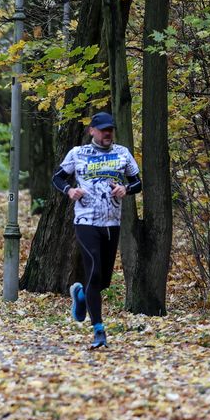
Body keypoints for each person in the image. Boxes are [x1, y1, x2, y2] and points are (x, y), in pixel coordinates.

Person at [52, 112, 142, 349]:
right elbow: (58, 178)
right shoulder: (77, 153)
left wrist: (126, 189)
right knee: (93, 272)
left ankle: (80, 296)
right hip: (86, 222)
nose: (107, 134)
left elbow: (137, 182)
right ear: (92, 130)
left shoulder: (122, 153)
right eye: (102, 130)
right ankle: (99, 331)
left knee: (102, 282)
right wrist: (69, 191)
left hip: (112, 223)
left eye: (110, 129)